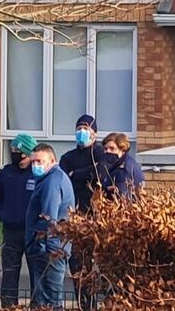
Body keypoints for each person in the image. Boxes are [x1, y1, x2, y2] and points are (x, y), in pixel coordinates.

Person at [59, 114, 106, 311]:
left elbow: (100, 173)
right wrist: (86, 173)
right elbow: (64, 178)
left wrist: (77, 174)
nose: (82, 132)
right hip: (75, 216)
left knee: (101, 264)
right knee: (78, 264)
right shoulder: (68, 157)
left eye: (86, 128)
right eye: (79, 128)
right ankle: (84, 304)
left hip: (97, 217)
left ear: (94, 132)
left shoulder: (101, 153)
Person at [0, 133, 38, 307]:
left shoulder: (37, 173)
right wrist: (3, 215)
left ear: (26, 152)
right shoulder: (7, 173)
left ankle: (38, 306)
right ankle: (9, 306)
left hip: (32, 233)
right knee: (10, 273)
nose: (13, 154)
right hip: (11, 232)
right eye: (12, 150)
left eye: (16, 150)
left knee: (36, 273)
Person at [25, 143, 75, 310]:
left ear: (52, 160)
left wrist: (43, 247)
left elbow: (50, 219)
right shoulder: (49, 178)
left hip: (49, 249)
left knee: (49, 299)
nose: (35, 165)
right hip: (51, 247)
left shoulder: (52, 182)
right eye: (33, 161)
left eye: (39, 161)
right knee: (45, 298)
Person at [101, 132, 145, 201]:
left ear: (122, 150)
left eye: (112, 148)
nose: (108, 151)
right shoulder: (120, 164)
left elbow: (122, 197)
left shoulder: (123, 170)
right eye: (106, 148)